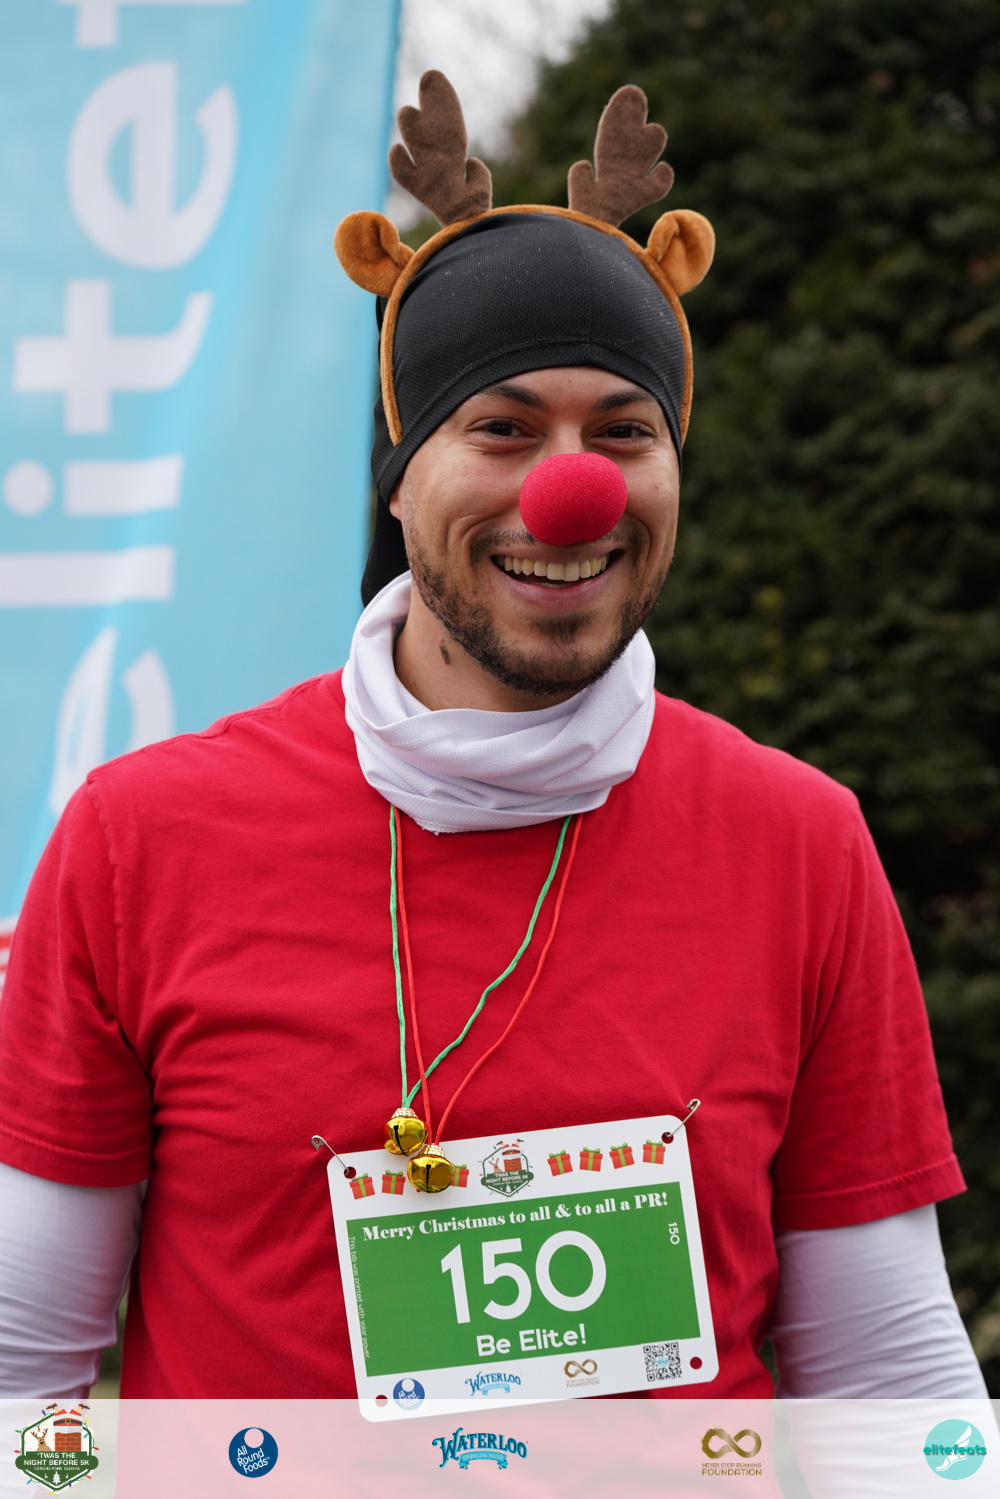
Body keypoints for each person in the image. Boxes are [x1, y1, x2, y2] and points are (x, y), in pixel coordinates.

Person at [0, 73, 987, 1404]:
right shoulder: (142, 839)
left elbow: (887, 1369)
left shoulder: (799, 841)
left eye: (622, 431)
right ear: (401, 477)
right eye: (503, 429)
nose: (570, 491)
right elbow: (21, 1365)